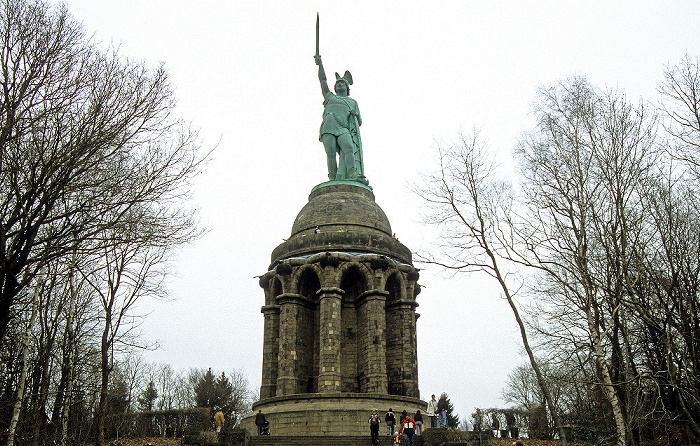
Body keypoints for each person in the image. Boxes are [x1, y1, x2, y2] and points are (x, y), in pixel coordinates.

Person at [314, 54, 365, 183]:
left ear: (347, 88)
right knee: (330, 154)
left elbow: (359, 122)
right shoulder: (330, 97)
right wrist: (320, 64)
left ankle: (353, 173)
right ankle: (332, 177)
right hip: (328, 127)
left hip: (343, 128)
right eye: (337, 83)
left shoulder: (352, 102)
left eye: (342, 83)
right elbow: (323, 80)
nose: (339, 85)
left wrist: (355, 114)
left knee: (349, 148)